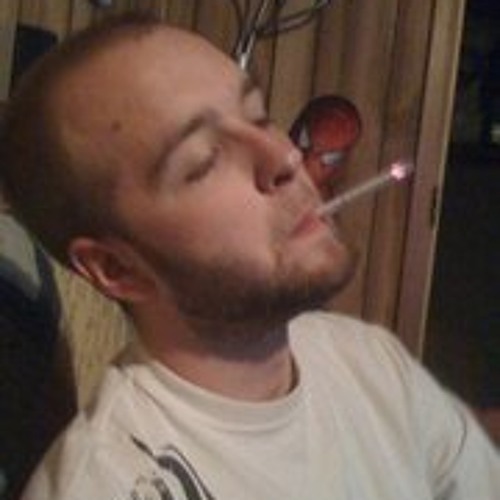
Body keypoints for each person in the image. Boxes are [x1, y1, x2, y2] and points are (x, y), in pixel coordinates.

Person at [0, 12, 498, 500]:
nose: (286, 156)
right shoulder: (107, 484)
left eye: (260, 116)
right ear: (117, 268)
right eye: (204, 162)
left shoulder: (369, 360)